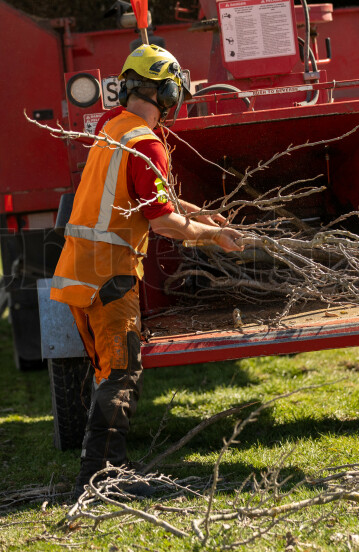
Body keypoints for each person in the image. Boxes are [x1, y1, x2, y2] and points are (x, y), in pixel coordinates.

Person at [50, 44, 244, 492]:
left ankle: (100, 471)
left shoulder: (114, 129)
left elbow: (149, 200)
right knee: (121, 372)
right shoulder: (147, 143)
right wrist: (211, 235)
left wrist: (201, 214)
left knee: (108, 371)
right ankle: (102, 478)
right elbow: (161, 221)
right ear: (168, 92)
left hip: (82, 269)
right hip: (110, 273)